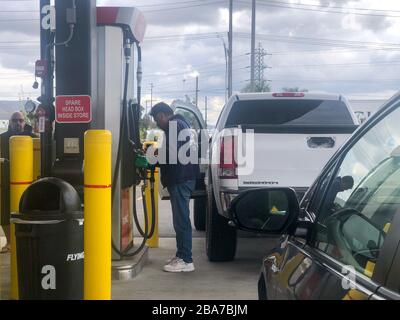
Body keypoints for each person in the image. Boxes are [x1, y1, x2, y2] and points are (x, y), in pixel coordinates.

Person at [150, 102, 199, 272]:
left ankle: (186, 260)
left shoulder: (174, 125)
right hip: (185, 177)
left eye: (157, 119)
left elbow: (171, 154)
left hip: (180, 179)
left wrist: (151, 159)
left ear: (163, 115)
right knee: (180, 219)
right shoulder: (182, 123)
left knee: (181, 220)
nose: (157, 123)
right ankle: (181, 254)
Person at [0, 112, 36, 253]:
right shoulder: (2, 139)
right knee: (4, 213)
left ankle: (27, 240)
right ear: (10, 122)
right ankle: (9, 242)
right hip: (4, 181)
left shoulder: (32, 138)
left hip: (27, 182)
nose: (18, 123)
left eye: (21, 120)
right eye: (15, 120)